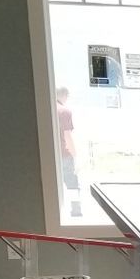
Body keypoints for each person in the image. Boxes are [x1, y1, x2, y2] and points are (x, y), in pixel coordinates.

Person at [56, 87, 81, 217]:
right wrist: (75, 155)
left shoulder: (49, 109)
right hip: (64, 154)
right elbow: (67, 136)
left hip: (52, 154)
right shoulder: (64, 111)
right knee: (72, 182)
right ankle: (76, 209)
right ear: (64, 95)